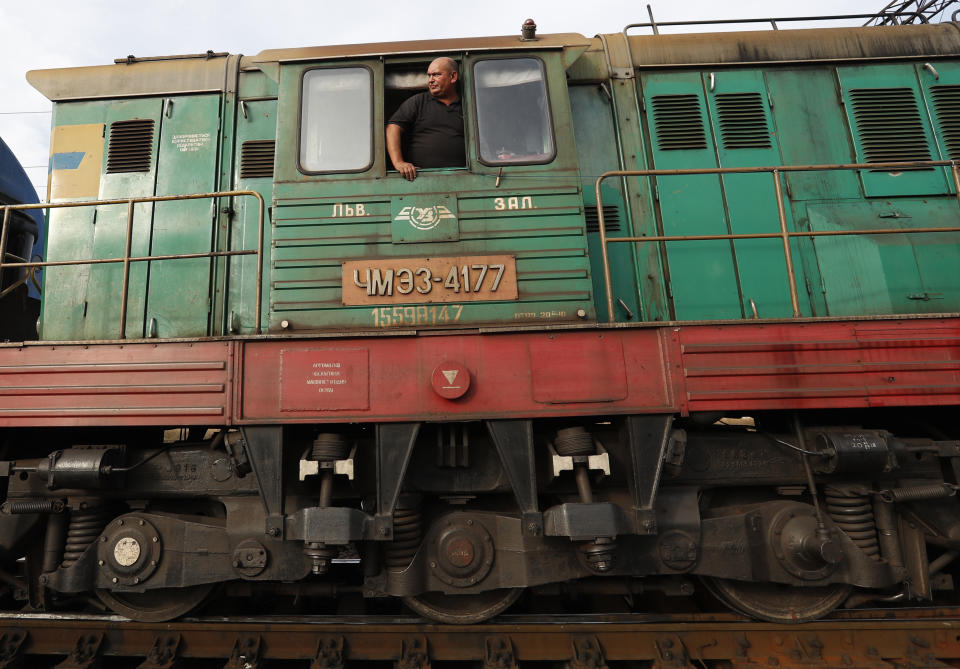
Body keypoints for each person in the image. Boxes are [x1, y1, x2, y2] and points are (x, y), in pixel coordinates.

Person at [386, 57, 465, 181]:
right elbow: (393, 127)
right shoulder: (418, 102)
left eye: (436, 75)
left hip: (463, 179)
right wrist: (399, 162)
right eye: (429, 76)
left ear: (453, 77)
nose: (431, 80)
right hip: (419, 179)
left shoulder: (467, 104)